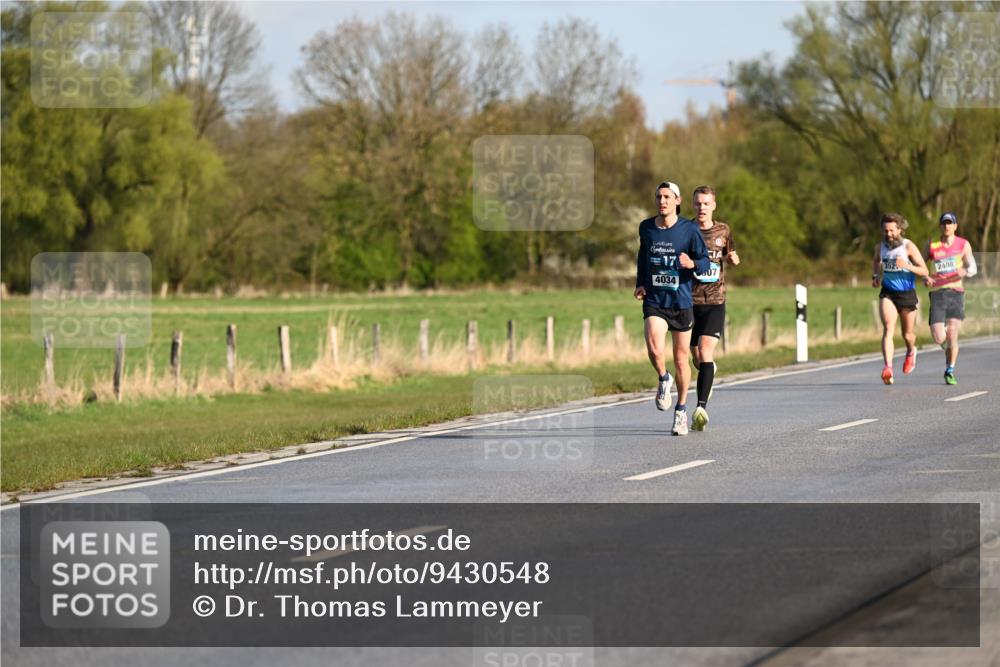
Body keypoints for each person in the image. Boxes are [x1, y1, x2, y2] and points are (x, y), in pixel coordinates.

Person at [634, 181, 712, 435]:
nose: (662, 201)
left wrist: (691, 263)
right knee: (655, 350)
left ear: (677, 201)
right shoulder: (646, 227)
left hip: (681, 302)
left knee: (681, 359)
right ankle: (662, 377)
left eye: (667, 197)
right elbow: (643, 256)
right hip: (655, 300)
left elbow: (704, 261)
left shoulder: (689, 230)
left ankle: (680, 411)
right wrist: (641, 283)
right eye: (659, 196)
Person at [688, 186, 739, 432]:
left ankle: (700, 408)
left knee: (706, 351)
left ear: (713, 206)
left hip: (715, 301)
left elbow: (731, 252)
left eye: (706, 203)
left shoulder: (723, 230)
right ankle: (708, 374)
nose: (701, 208)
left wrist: (733, 259)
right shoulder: (685, 230)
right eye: (698, 203)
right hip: (689, 301)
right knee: (697, 357)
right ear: (692, 205)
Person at [871, 213, 929, 385]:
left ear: (900, 229)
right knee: (888, 328)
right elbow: (876, 261)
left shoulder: (908, 246)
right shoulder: (879, 247)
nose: (888, 234)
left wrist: (907, 266)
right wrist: (876, 275)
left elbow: (925, 271)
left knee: (907, 334)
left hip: (907, 294)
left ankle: (911, 351)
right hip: (888, 292)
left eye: (892, 230)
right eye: (885, 230)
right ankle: (888, 367)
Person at [923, 212, 977, 385]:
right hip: (937, 293)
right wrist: (925, 278)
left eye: (950, 223)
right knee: (939, 337)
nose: (947, 226)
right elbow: (920, 265)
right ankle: (947, 346)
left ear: (955, 226)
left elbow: (973, 267)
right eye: (944, 223)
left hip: (956, 292)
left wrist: (966, 271)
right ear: (940, 226)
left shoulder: (963, 244)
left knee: (952, 333)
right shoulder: (932, 244)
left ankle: (949, 370)